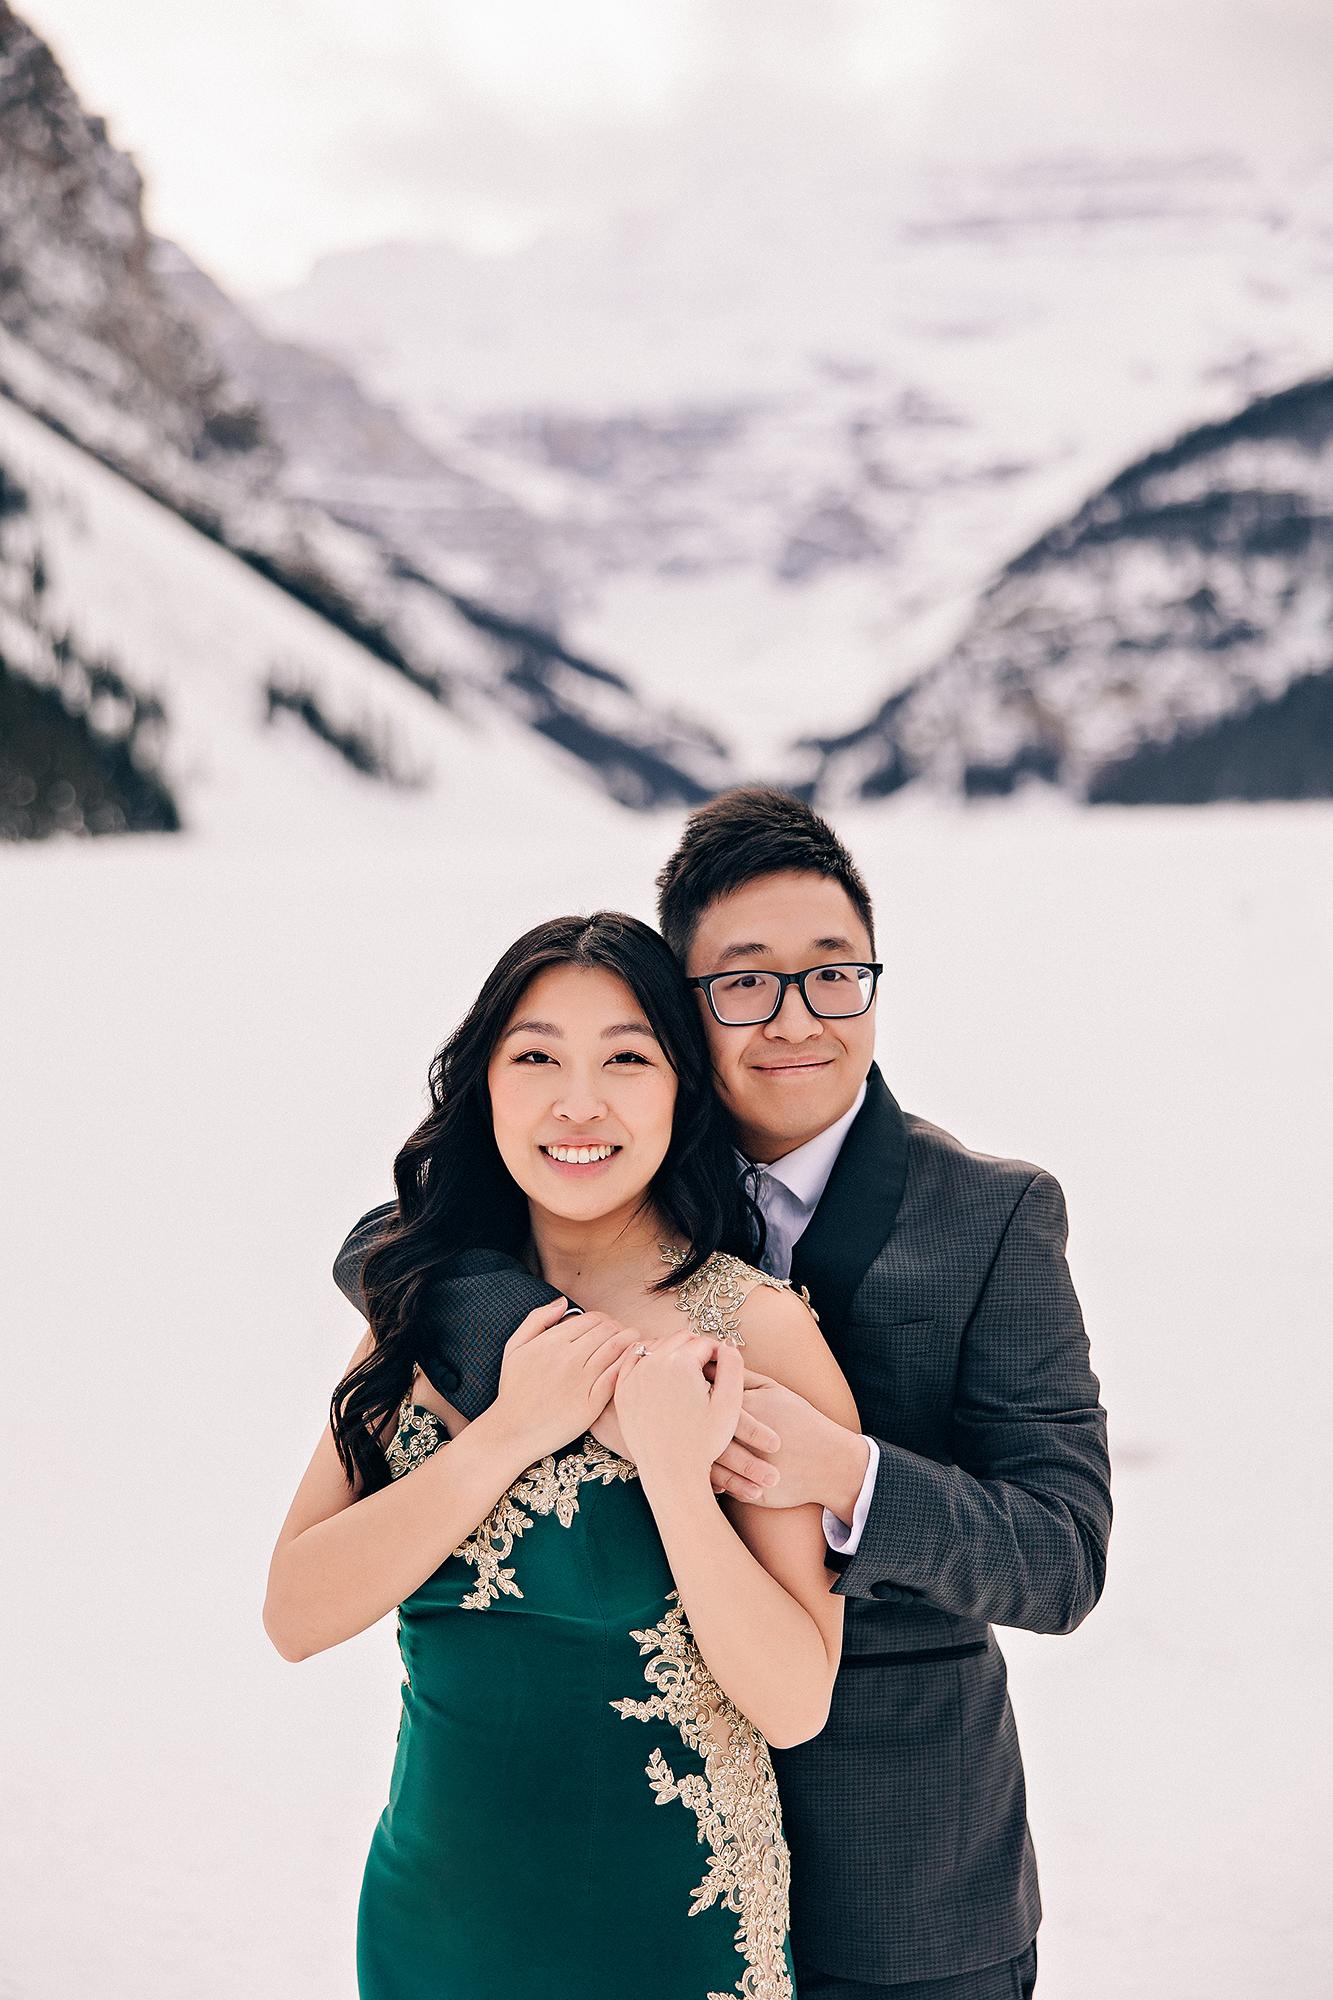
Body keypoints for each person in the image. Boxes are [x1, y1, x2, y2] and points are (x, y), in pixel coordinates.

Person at [330, 786, 1113, 1999]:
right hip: (623, 1850)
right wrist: (597, 1389)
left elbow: (1062, 1552)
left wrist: (842, 1474)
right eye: (744, 981)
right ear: (680, 1013)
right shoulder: (590, 1177)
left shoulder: (991, 1214)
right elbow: (389, 1241)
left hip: (891, 1870)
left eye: (835, 973)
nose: (797, 1017)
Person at [264, 911, 860, 2000]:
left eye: (626, 1058)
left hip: (673, 1937)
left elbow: (793, 1700)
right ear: (482, 1084)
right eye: (534, 1055)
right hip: (432, 1927)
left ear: (683, 1087)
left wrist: (677, 1476)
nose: (576, 1103)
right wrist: (508, 1430)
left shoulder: (753, 1328)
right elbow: (295, 1612)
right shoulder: (422, 1317)